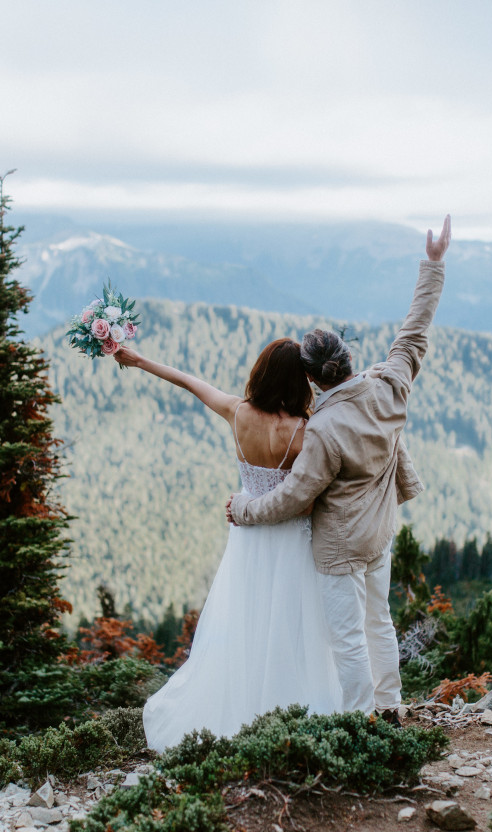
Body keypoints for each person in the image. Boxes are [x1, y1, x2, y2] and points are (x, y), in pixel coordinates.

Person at [227, 215, 451, 723]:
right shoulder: (389, 385)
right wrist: (433, 265)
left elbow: (291, 500)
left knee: (347, 638)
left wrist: (243, 508)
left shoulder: (323, 431)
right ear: (349, 359)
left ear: (310, 378)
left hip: (339, 549)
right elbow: (414, 331)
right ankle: (389, 708)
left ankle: (358, 726)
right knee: (380, 623)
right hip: (380, 534)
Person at [112, 338, 344, 751]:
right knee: (292, 628)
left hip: (247, 541)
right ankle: (293, 716)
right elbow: (307, 501)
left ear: (261, 373)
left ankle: (240, 713)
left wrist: (137, 358)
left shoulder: (237, 413)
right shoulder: (304, 430)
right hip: (291, 542)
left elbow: (186, 381)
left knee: (244, 625)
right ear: (300, 381)